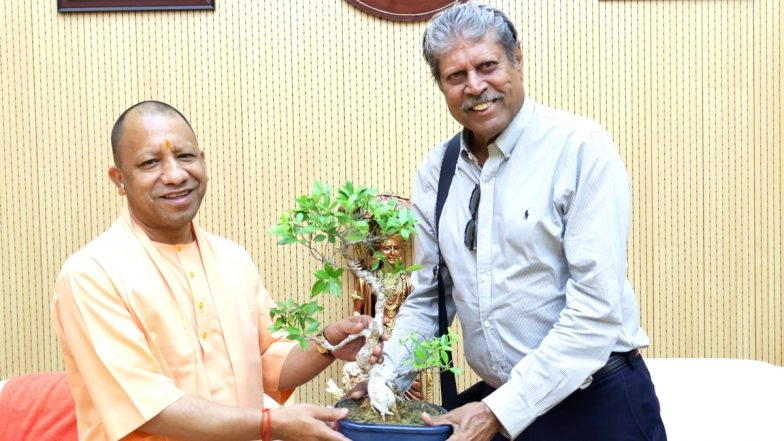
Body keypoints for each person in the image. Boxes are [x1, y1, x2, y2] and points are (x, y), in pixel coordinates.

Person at [374, 3, 667, 441]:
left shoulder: (581, 149)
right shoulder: (437, 172)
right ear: (441, 85)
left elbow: (595, 314)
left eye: (487, 65)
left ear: (518, 59)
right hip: (500, 407)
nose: (475, 86)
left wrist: (498, 412)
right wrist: (381, 384)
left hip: (598, 406)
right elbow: (429, 300)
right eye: (456, 76)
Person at [51, 100, 382, 441]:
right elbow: (150, 407)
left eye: (185, 156)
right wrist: (272, 424)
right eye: (151, 162)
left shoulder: (232, 258)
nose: (176, 174)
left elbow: (269, 362)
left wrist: (327, 343)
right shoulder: (92, 275)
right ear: (119, 179)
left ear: (203, 161)